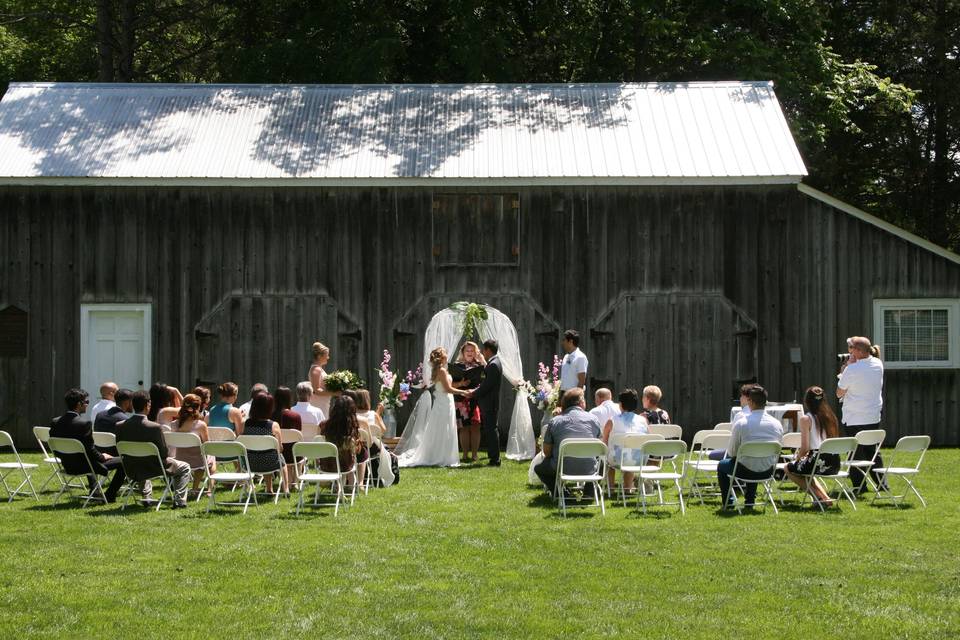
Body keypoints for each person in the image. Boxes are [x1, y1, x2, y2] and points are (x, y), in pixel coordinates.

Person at [49, 388, 126, 502]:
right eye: (86, 402)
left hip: (67, 465)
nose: (87, 405)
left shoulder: (55, 422)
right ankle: (109, 495)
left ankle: (95, 491)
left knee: (88, 459)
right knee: (125, 461)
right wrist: (102, 457)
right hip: (85, 466)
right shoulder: (84, 424)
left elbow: (55, 448)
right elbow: (90, 450)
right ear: (79, 404)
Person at [117, 391, 191, 508]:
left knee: (140, 459)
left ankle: (147, 497)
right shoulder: (155, 427)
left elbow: (120, 449)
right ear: (148, 405)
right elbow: (163, 453)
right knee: (185, 467)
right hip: (154, 467)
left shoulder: (119, 425)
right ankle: (180, 501)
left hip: (131, 467)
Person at [398, 347, 468, 467]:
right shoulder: (441, 371)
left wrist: (461, 384)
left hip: (445, 401)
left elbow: (447, 385)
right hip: (444, 402)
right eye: (445, 354)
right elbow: (448, 389)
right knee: (443, 428)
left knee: (443, 428)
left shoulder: (440, 370)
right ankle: (441, 457)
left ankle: (441, 455)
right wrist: (464, 392)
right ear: (442, 358)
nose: (447, 355)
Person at [717, 385, 783, 508]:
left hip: (745, 471)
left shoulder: (741, 423)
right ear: (765, 402)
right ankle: (750, 501)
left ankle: (729, 502)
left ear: (750, 402)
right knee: (754, 459)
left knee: (722, 465)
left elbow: (732, 452)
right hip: (768, 471)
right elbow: (778, 449)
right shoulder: (777, 424)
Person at [837, 336, 885, 494]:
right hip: (873, 414)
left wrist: (844, 370)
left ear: (858, 351)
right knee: (873, 451)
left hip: (854, 416)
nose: (849, 351)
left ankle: (859, 486)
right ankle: (882, 484)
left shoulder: (852, 369)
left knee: (855, 452)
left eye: (851, 348)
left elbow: (839, 393)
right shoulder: (878, 363)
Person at [534, 388, 603, 497]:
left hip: (561, 467)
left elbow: (547, 452)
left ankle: (561, 493)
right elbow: (600, 447)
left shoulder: (555, 421)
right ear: (580, 403)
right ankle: (589, 492)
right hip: (590, 468)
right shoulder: (594, 419)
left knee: (539, 468)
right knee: (602, 463)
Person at [785, 386, 841, 505]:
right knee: (807, 471)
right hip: (834, 462)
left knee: (788, 468)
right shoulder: (831, 417)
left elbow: (805, 448)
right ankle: (825, 498)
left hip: (817, 460)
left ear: (807, 401)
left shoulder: (806, 419)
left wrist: (797, 458)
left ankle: (818, 497)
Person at [238, 392, 287, 495]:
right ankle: (285, 489)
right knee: (278, 457)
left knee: (264, 452)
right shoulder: (273, 425)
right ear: (270, 408)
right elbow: (280, 448)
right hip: (270, 463)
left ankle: (269, 489)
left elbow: (239, 441)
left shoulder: (245, 424)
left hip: (249, 463)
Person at [601, 388, 648, 493]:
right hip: (639, 460)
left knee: (609, 457)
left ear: (620, 404)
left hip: (616, 460)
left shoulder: (612, 421)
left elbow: (604, 441)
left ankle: (611, 489)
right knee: (631, 451)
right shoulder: (643, 421)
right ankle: (627, 488)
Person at [169, 393, 214, 496]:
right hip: (198, 462)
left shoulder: (174, 424)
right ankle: (202, 489)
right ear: (198, 407)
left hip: (179, 459)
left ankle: (182, 487)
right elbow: (207, 445)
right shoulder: (200, 425)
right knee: (212, 457)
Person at [467, 339, 503, 466]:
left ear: (488, 350)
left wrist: (473, 393)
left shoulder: (493, 364)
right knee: (490, 430)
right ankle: (494, 457)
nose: (483, 352)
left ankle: (495, 459)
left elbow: (486, 386)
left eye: (484, 350)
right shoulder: (494, 362)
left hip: (490, 403)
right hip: (489, 402)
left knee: (491, 430)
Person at [451, 341, 485, 463]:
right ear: (463, 352)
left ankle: (475, 454)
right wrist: (461, 384)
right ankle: (465, 454)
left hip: (475, 399)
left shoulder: (480, 365)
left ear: (476, 352)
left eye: (472, 351)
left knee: (476, 427)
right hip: (460, 401)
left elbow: (487, 380)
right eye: (467, 351)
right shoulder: (456, 366)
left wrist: (482, 361)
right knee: (463, 428)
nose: (470, 353)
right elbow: (450, 384)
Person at [319, 395, 363, 477]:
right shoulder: (352, 427)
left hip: (326, 466)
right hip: (345, 467)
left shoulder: (323, 425)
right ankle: (352, 484)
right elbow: (357, 451)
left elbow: (318, 442)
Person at [272, 385, 302, 483]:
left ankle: (288, 481)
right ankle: (295, 480)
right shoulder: (295, 416)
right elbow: (298, 436)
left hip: (276, 452)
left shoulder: (270, 416)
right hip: (293, 454)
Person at [308, 341, 338, 418]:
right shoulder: (316, 369)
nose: (328, 357)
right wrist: (335, 393)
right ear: (319, 356)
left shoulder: (319, 369)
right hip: (318, 404)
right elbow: (316, 390)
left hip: (323, 403)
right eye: (326, 355)